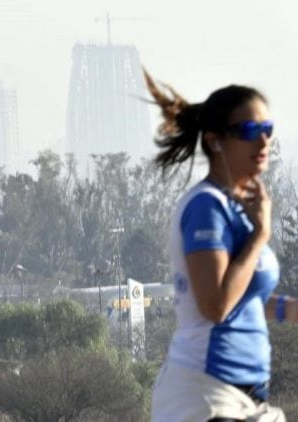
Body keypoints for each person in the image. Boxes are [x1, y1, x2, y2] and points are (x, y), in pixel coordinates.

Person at [145, 71, 287, 422]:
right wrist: (260, 236)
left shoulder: (238, 208)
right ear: (215, 142)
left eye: (267, 130)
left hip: (244, 399)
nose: (264, 142)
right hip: (205, 395)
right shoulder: (207, 207)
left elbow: (243, 295)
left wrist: (290, 310)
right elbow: (216, 305)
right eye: (251, 132)